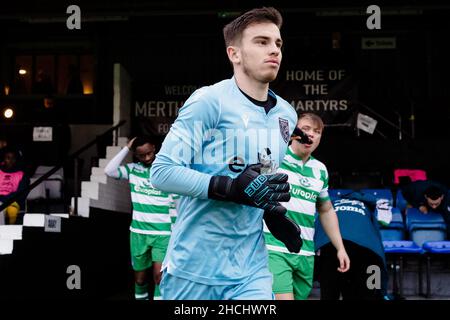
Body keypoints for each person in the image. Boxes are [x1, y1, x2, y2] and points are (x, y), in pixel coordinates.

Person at [150, 7, 298, 300]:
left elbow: (258, 181)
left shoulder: (287, 115)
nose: (274, 50)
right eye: (261, 41)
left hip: (251, 272)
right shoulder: (209, 101)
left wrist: (271, 211)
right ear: (235, 54)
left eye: (278, 43)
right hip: (193, 272)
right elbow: (162, 172)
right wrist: (228, 188)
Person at [264, 113, 350, 300]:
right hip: (275, 248)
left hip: (306, 252)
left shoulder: (320, 170)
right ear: (294, 133)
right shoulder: (274, 157)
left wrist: (340, 248)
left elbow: (326, 210)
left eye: (317, 131)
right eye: (305, 129)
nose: (311, 134)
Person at [104, 136, 178, 300]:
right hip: (138, 233)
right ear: (136, 155)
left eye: (149, 153)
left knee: (160, 278)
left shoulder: (166, 171)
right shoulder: (132, 170)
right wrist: (126, 148)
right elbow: (109, 170)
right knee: (140, 279)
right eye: (142, 155)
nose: (147, 158)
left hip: (163, 234)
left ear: (154, 147)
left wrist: (176, 230)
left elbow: (177, 203)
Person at [314, 191, 389, 300]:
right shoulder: (366, 206)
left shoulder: (332, 203)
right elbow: (377, 233)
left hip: (331, 245)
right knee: (358, 292)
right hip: (362, 248)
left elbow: (318, 225)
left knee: (329, 292)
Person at [0, 147, 30, 224]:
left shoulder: (21, 174)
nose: (10, 161)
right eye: (8, 158)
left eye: (13, 158)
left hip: (12, 202)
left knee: (11, 210)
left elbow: (21, 193)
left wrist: (3, 199)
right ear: (4, 160)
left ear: (16, 160)